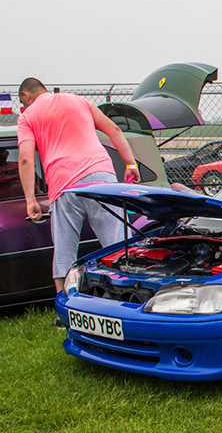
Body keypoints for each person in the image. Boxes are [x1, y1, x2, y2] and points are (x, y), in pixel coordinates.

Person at [16, 77, 141, 295]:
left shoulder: (27, 116)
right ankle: (131, 297)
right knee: (121, 246)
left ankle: (64, 303)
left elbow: (26, 159)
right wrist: (130, 164)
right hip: (101, 178)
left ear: (26, 96)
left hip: (64, 184)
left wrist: (30, 200)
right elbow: (113, 129)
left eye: (22, 102)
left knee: (64, 251)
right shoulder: (78, 100)